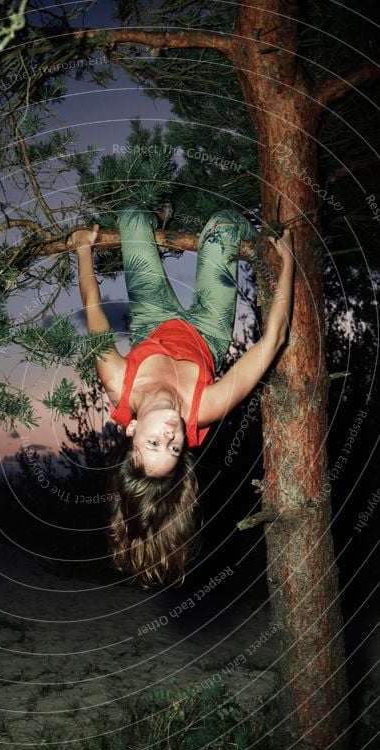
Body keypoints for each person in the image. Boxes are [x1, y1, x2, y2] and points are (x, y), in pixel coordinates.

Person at [67, 206, 295, 588]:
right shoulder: (204, 409)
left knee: (132, 219)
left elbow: (94, 311)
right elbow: (273, 342)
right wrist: (285, 262)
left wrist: (83, 250)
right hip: (208, 329)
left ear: (132, 430)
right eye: (173, 450)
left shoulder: (117, 379)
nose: (171, 436)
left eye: (154, 442)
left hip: (152, 318)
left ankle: (156, 217)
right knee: (220, 225)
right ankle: (222, 236)